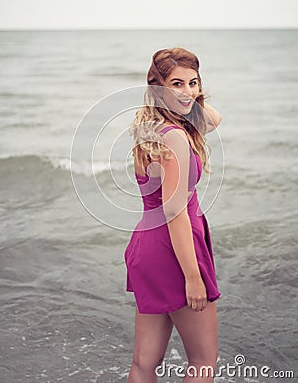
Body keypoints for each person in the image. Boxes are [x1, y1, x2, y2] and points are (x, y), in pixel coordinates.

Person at [124, 47, 222, 382]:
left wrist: (186, 96)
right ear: (158, 88)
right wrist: (193, 278)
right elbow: (175, 211)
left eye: (193, 83)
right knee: (203, 361)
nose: (188, 91)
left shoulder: (150, 129)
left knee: (144, 362)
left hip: (147, 247)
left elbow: (214, 118)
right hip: (175, 249)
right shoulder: (177, 137)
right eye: (175, 84)